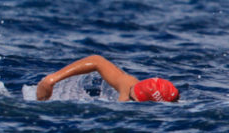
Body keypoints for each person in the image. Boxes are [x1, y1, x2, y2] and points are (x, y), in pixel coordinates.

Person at [36, 54, 179, 102]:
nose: (126, 95)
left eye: (130, 97)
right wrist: (52, 79)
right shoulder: (130, 87)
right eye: (131, 90)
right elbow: (97, 61)